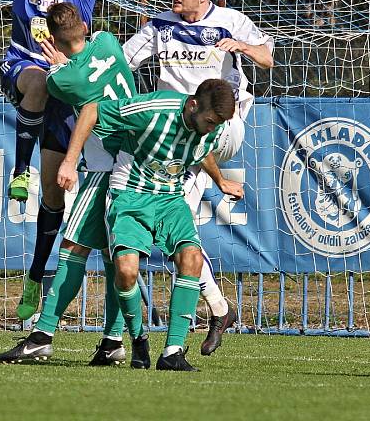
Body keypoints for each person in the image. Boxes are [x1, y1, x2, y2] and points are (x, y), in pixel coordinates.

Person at [123, 0, 274, 355]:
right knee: (177, 232)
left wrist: (242, 47)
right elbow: (123, 63)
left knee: (176, 227)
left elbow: (267, 57)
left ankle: (181, 330)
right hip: (180, 135)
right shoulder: (160, 25)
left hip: (224, 128)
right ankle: (219, 308)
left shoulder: (230, 21)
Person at [58, 79, 237, 371]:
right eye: (209, 121)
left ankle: (173, 352)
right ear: (192, 105)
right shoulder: (155, 109)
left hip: (170, 199)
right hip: (130, 194)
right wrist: (69, 161)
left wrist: (220, 180)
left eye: (218, 124)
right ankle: (139, 340)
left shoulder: (210, 130)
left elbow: (203, 149)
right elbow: (91, 110)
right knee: (126, 272)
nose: (213, 128)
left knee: (191, 259)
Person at [0, 0, 100, 320]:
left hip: (69, 83)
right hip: (25, 63)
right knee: (36, 80)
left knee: (54, 198)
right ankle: (20, 170)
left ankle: (35, 278)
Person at [0, 2, 133, 365]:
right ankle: (113, 340)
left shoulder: (62, 80)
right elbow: (89, 63)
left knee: (73, 248)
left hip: (107, 170)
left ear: (51, 39)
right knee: (114, 256)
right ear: (86, 25)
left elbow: (65, 82)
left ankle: (42, 335)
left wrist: (57, 64)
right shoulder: (108, 41)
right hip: (136, 162)